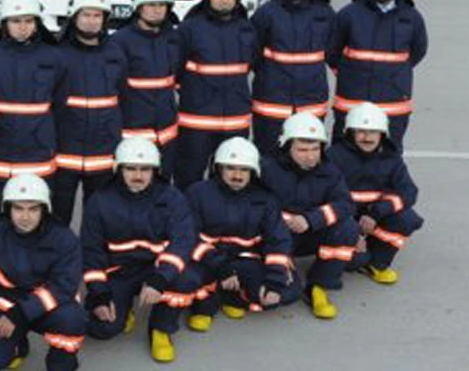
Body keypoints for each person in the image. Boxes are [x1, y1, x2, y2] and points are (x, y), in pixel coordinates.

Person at [81, 138, 198, 363]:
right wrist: (99, 294)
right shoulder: (99, 201)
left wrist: (161, 278)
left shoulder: (172, 198)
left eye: (145, 169)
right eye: (131, 169)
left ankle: (161, 328)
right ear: (118, 169)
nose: (138, 175)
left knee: (187, 279)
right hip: (119, 272)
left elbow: (183, 241)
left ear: (155, 170)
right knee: (102, 328)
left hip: (157, 268)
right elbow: (90, 251)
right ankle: (124, 310)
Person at [0, 174, 86, 371]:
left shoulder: (63, 238)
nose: (25, 217)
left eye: (33, 209)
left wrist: (20, 313)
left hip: (46, 307)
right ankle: (18, 346)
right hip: (3, 306)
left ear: (44, 209)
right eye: (18, 208)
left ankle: (61, 363)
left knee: (73, 318)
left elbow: (64, 285)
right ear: (7, 208)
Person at [0, 0, 60, 219]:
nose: (22, 27)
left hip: (37, 156)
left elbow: (62, 104)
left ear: (37, 23)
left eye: (29, 21)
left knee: (34, 223)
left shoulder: (55, 58)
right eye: (16, 21)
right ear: (4, 24)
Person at [183, 138, 292, 332]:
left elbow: (278, 240)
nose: (237, 175)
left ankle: (231, 296)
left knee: (285, 293)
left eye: (243, 170)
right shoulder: (198, 193)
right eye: (231, 168)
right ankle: (206, 303)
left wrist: (275, 280)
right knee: (185, 281)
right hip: (205, 260)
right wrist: (221, 267)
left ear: (253, 172)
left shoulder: (265, 198)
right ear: (219, 169)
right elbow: (188, 237)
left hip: (244, 261)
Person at [260, 112, 359, 320]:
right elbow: (254, 207)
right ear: (287, 147)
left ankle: (319, 284)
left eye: (315, 149)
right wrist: (285, 224)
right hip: (277, 238)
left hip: (311, 232)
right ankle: (286, 274)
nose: (310, 156)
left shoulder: (329, 171)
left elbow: (344, 204)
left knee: (347, 228)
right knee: (286, 294)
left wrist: (312, 220)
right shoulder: (267, 169)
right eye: (302, 149)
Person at [328, 0, 428, 145]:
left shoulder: (412, 18)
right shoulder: (349, 14)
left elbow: (418, 51)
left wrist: (395, 72)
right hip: (352, 100)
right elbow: (332, 51)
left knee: (389, 157)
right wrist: (350, 74)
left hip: (393, 103)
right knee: (343, 156)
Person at [174, 0, 257, 189]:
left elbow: (251, 65)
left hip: (235, 120)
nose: (224, 0)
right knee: (188, 178)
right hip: (196, 121)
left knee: (227, 181)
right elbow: (176, 69)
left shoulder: (247, 29)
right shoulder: (189, 28)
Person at [52, 0, 127, 225]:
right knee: (57, 218)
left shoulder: (116, 53)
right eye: (86, 15)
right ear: (74, 17)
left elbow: (122, 96)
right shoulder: (56, 54)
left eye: (97, 15)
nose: (92, 21)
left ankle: (93, 262)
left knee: (98, 219)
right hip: (64, 154)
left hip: (103, 153)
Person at [327, 102, 424, 285]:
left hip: (374, 215)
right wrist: (353, 232)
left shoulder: (391, 157)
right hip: (343, 219)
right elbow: (325, 197)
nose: (367, 137)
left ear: (382, 134)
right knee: (352, 262)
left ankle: (377, 262)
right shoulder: (335, 157)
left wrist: (377, 212)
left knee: (407, 219)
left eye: (373, 132)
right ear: (350, 133)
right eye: (361, 131)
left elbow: (408, 192)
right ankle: (354, 257)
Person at [250, 0, 334, 155]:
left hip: (311, 100)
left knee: (309, 157)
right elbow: (252, 53)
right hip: (271, 101)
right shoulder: (265, 14)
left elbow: (334, 50)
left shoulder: (325, 14)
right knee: (268, 157)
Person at [108, 0, 182, 172]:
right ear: (138, 7)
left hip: (166, 133)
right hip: (133, 131)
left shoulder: (174, 38)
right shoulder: (119, 41)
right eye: (150, 5)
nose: (157, 10)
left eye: (161, 5)